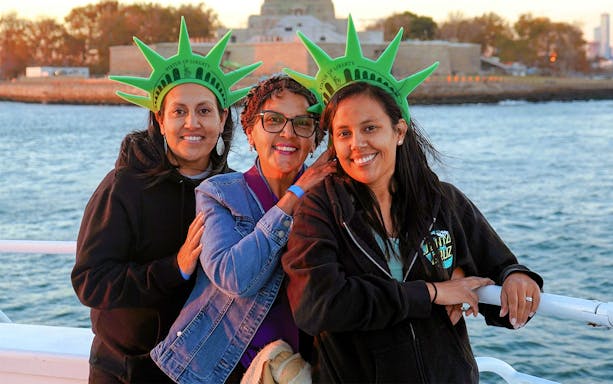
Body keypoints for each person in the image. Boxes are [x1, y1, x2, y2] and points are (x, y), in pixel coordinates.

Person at [281, 16, 544, 383]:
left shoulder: (443, 202)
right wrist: (432, 292)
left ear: (399, 131)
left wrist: (518, 278)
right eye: (344, 133)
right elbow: (318, 307)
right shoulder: (320, 209)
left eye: (370, 128)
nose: (357, 144)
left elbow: (499, 267)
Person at [71, 17, 261, 383]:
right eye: (179, 111)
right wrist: (174, 267)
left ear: (223, 118)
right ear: (160, 119)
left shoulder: (234, 191)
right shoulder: (123, 187)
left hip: (210, 371)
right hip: (128, 371)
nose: (193, 122)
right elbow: (90, 282)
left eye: (205, 111)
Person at [150, 74, 336, 384]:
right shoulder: (219, 194)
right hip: (223, 370)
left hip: (304, 370)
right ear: (250, 132)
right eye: (273, 120)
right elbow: (234, 278)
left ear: (316, 139)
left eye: (303, 123)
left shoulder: (330, 198)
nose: (287, 133)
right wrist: (295, 197)